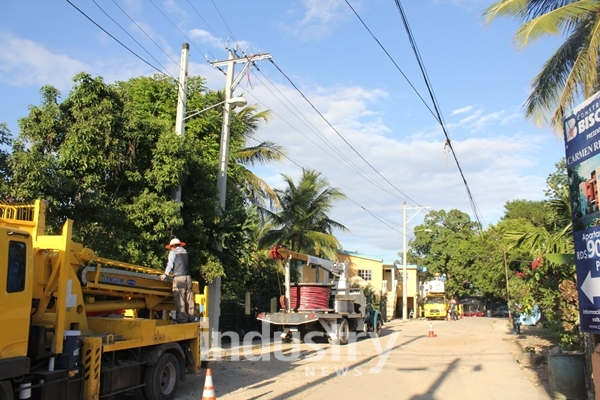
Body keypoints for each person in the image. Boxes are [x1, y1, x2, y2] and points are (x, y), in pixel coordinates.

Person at [160, 238, 196, 323]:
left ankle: (182, 318)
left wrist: (165, 274)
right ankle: (191, 317)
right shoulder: (185, 252)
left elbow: (170, 264)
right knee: (189, 297)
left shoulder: (173, 252)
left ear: (173, 246)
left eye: (170, 247)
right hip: (188, 277)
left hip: (179, 277)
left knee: (179, 297)